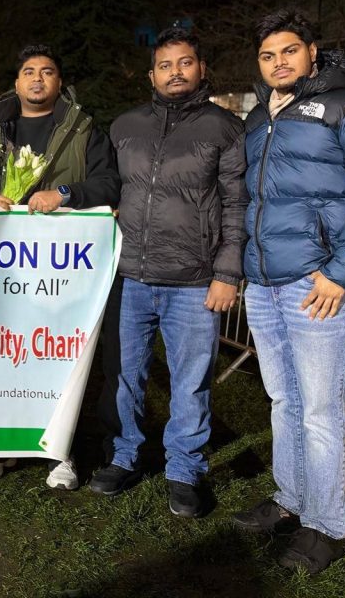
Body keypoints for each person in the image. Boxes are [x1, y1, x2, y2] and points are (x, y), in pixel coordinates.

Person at [232, 9, 345, 572]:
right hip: (264, 284)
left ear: (313, 52)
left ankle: (326, 525)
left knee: (321, 410)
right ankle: (291, 498)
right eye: (267, 55)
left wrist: (341, 271)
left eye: (289, 50)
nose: (278, 62)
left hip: (318, 285)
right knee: (284, 402)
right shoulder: (259, 117)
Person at [91, 27, 247, 518]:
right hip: (129, 277)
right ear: (151, 75)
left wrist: (227, 273)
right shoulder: (125, 125)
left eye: (184, 63)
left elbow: (237, 204)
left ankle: (184, 469)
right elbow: (108, 187)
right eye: (165, 65)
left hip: (195, 281)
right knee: (124, 376)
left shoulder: (225, 127)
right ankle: (124, 455)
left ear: (201, 69)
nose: (175, 72)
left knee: (191, 382)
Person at [0, 43, 120, 490]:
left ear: (59, 81)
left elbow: (109, 183)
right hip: (0, 265)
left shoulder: (84, 129)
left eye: (47, 71)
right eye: (29, 71)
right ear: (16, 82)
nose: (37, 78)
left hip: (59, 267)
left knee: (57, 354)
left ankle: (60, 450)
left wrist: (66, 195)